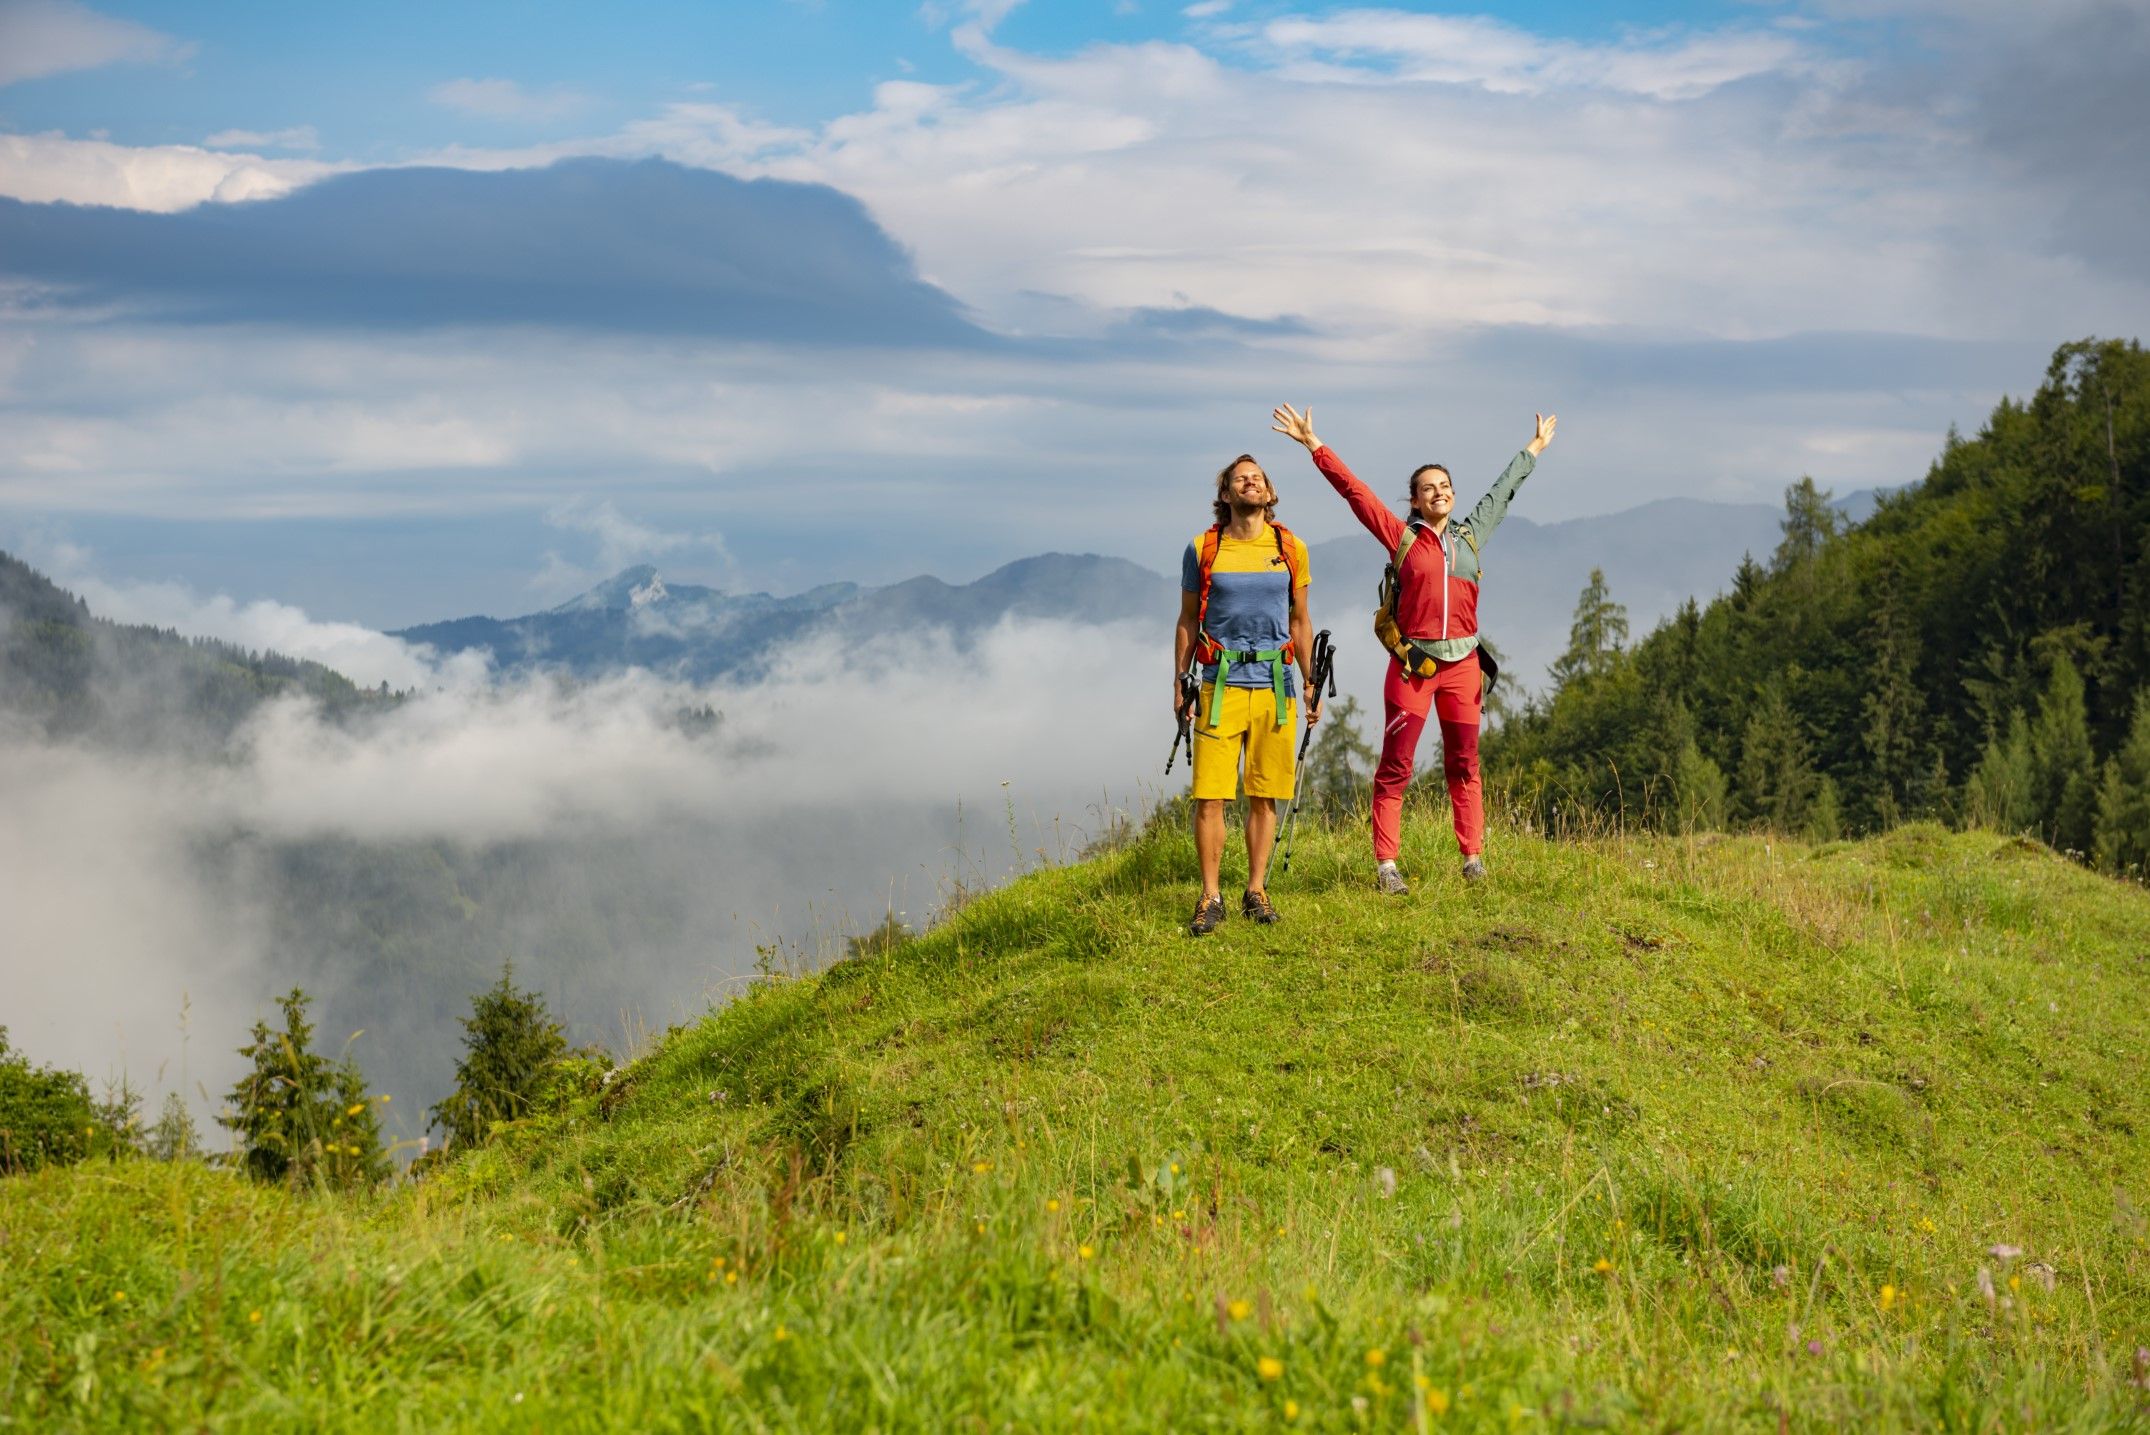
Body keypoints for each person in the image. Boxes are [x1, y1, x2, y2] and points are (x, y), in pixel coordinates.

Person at [1269, 404, 1556, 891]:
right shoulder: (1401, 538)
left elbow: (1503, 491)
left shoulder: (1471, 535)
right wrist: (1315, 445)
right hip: (1413, 665)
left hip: (1464, 663)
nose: (1439, 493)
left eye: (1445, 486)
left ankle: (1472, 858)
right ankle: (1387, 867)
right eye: (1429, 489)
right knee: (1396, 764)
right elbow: (1355, 494)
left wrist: (1534, 449)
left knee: (1465, 762)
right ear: (1416, 501)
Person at [1174, 454, 1320, 935]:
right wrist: (1180, 681)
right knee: (1210, 797)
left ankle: (1255, 890)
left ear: (1268, 491)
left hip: (1276, 686)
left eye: (1256, 478)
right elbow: (1188, 620)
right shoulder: (1203, 548)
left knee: (1264, 794)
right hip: (1219, 684)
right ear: (1226, 494)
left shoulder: (1291, 547)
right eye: (1240, 479)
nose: (1249, 483)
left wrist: (1311, 678)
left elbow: (1299, 621)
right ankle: (1210, 895)